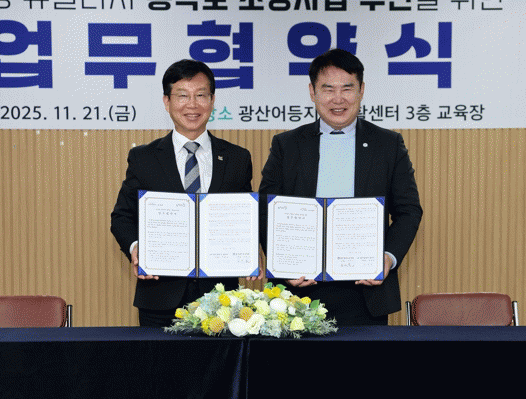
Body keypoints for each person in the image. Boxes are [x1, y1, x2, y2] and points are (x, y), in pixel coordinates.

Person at [259, 48, 422, 326]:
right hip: (299, 291)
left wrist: (387, 258)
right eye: (328, 89)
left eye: (347, 88)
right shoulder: (287, 145)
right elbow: (266, 210)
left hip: (365, 292)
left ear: (361, 90)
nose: (338, 99)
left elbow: (408, 211)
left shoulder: (388, 144)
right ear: (312, 92)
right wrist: (282, 263)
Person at [111, 59, 255, 327]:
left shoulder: (237, 158)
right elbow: (122, 217)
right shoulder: (144, 158)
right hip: (160, 296)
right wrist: (136, 247)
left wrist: (250, 248)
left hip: (222, 299)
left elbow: (244, 217)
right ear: (167, 102)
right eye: (182, 96)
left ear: (212, 100)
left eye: (201, 95)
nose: (192, 105)